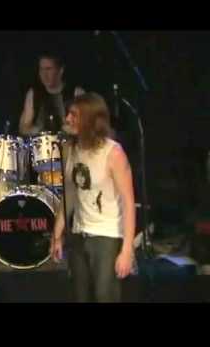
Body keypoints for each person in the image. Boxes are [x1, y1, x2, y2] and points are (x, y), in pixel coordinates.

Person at [50, 92, 135, 303]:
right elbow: (70, 193)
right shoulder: (71, 149)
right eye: (69, 113)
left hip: (106, 236)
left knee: (104, 296)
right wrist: (57, 234)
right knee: (81, 296)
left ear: (88, 119)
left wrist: (127, 250)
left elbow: (128, 203)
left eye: (74, 115)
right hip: (79, 233)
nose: (67, 119)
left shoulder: (113, 153)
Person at [19, 51, 85, 137]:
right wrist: (41, 131)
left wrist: (66, 130)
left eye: (48, 69)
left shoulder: (76, 93)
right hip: (42, 146)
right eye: (41, 69)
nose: (44, 74)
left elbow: (85, 127)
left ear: (60, 70)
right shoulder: (33, 94)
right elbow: (23, 128)